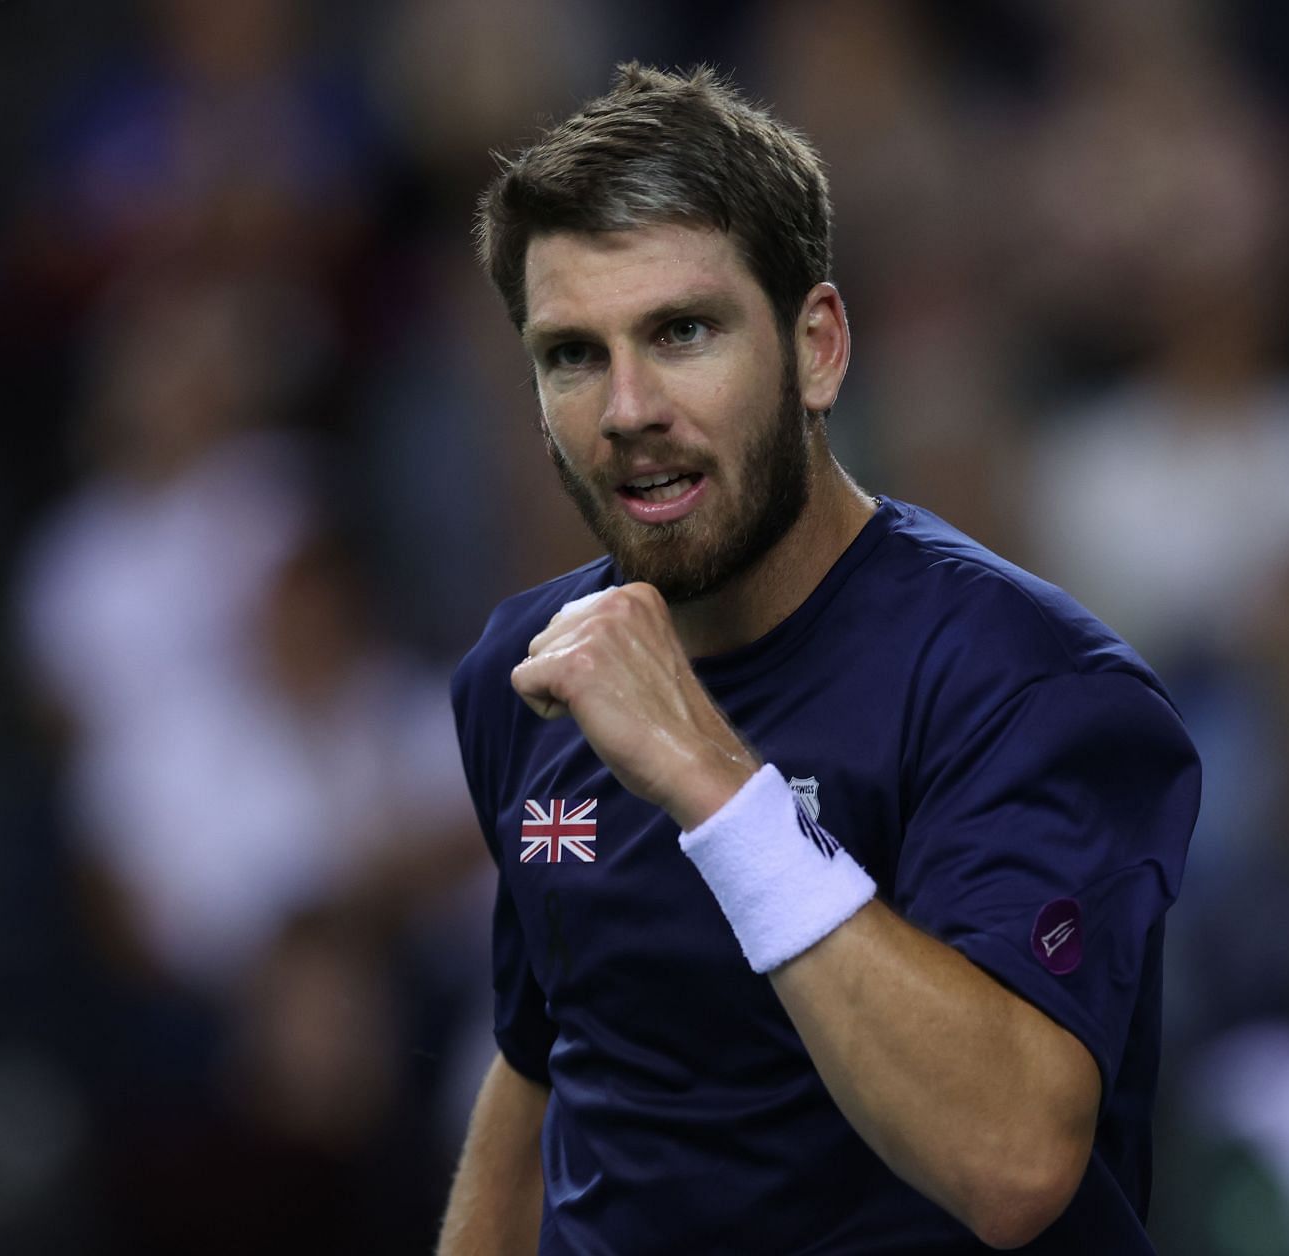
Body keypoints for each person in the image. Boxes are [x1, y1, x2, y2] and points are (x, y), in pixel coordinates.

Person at [439, 64, 1201, 1254]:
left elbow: (1011, 1160)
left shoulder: (1029, 685)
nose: (627, 404)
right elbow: (543, 1062)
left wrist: (711, 780)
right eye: (573, 354)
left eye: (681, 331)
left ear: (820, 348)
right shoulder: (525, 675)